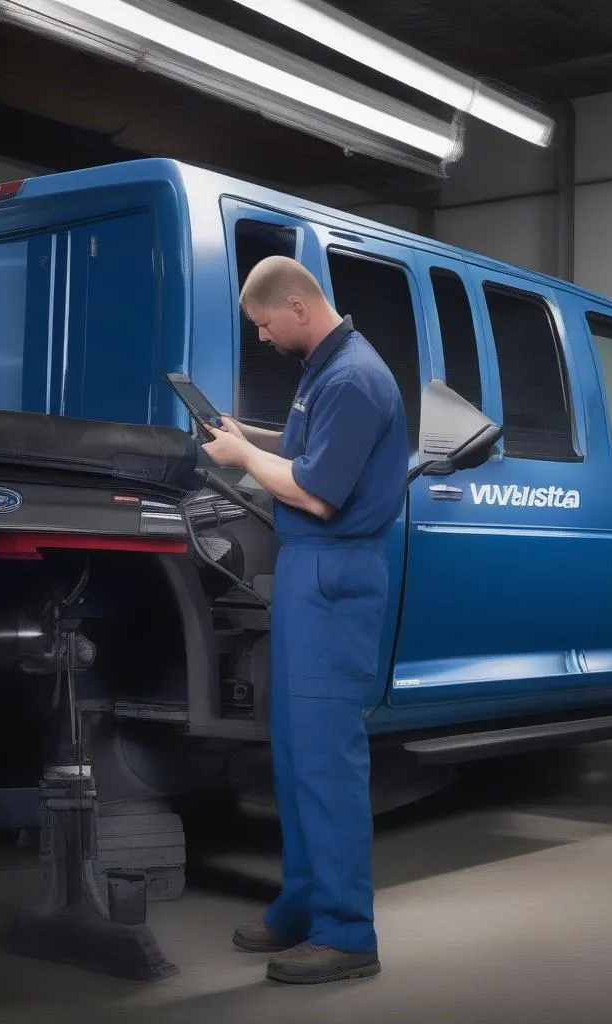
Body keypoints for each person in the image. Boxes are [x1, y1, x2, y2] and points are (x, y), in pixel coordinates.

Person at [201, 255, 408, 985]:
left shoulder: (353, 376)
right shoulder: (324, 368)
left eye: (262, 324)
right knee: (293, 756)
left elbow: (318, 493)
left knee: (328, 762)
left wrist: (241, 459)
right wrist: (245, 435)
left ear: (295, 306)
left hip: (334, 572)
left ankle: (348, 933)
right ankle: (303, 904)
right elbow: (306, 449)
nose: (262, 338)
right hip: (305, 572)